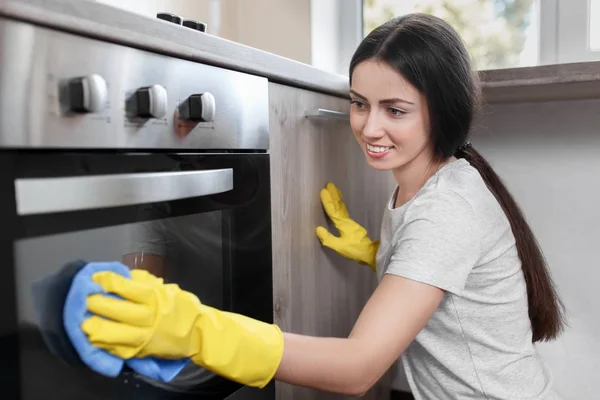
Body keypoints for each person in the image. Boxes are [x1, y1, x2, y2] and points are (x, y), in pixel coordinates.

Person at [79, 13, 566, 399]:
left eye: (394, 110)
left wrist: (196, 331)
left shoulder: (447, 209)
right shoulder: (430, 182)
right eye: (359, 103)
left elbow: (357, 369)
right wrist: (380, 253)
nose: (369, 128)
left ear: (444, 111)